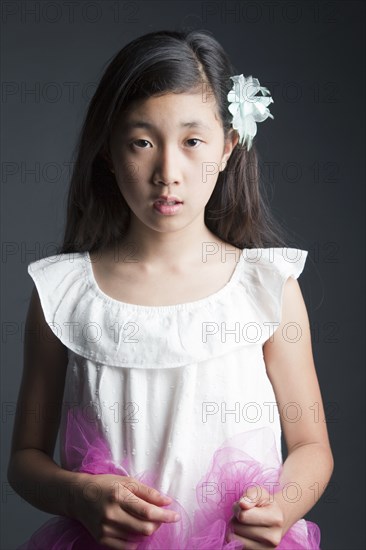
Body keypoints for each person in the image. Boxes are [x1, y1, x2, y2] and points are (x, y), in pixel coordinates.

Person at [8, 29, 334, 550]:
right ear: (109, 153)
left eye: (192, 142)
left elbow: (313, 447)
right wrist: (79, 496)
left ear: (228, 147)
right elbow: (24, 461)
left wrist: (281, 507)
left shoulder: (267, 287)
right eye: (142, 142)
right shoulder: (63, 293)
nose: (167, 173)